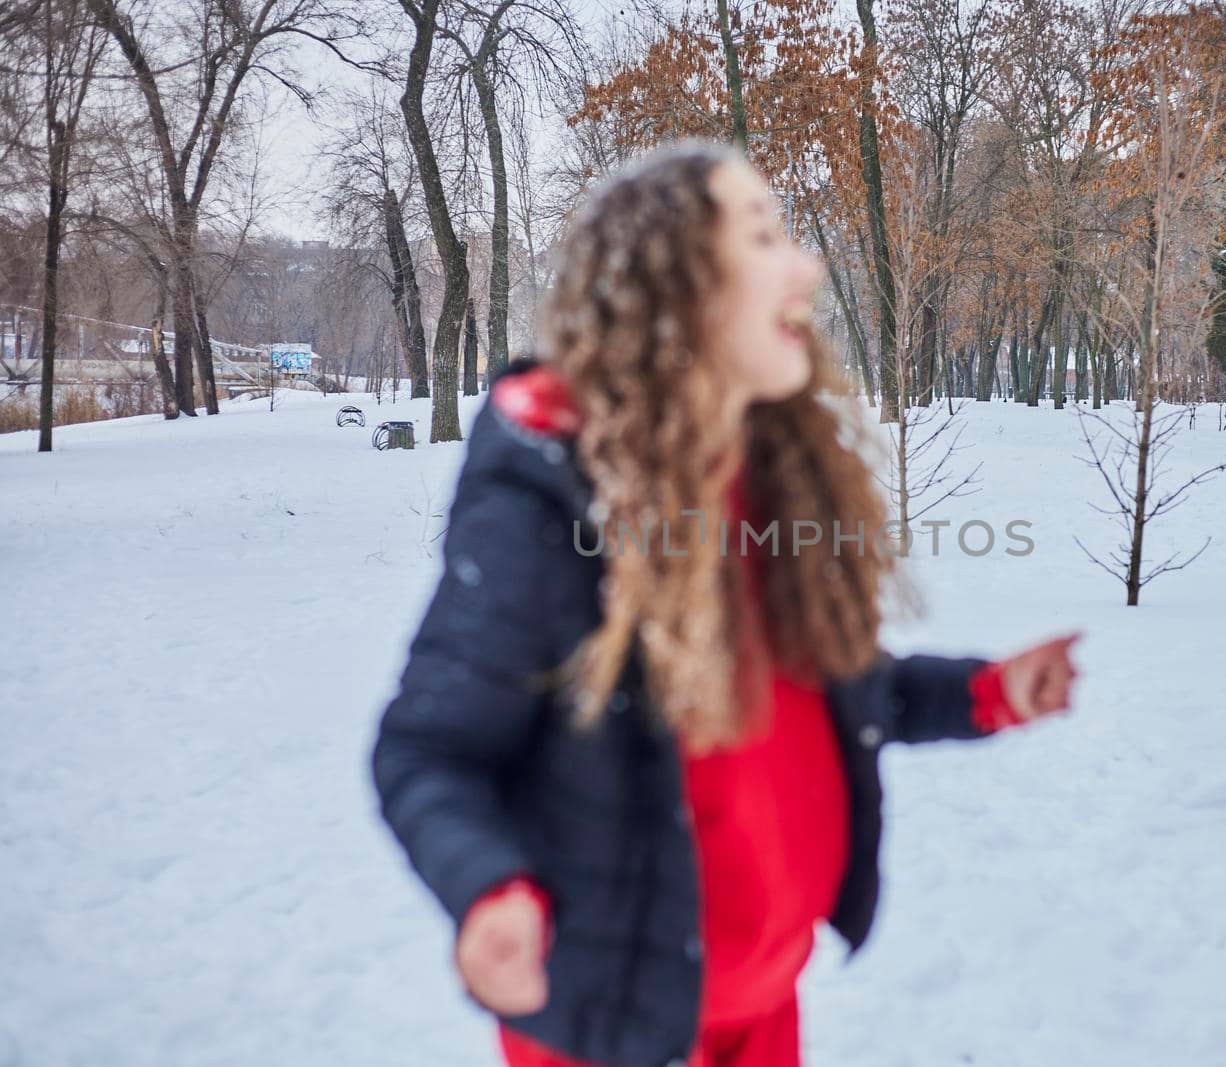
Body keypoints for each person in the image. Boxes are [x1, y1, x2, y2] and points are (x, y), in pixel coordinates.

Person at [370, 138, 1081, 1067]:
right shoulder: (551, 509)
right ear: (678, 287)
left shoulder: (768, 479)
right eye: (765, 237)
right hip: (613, 1029)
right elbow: (428, 751)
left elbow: (838, 693)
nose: (807, 265)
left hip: (760, 1009)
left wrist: (989, 692)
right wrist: (489, 886)